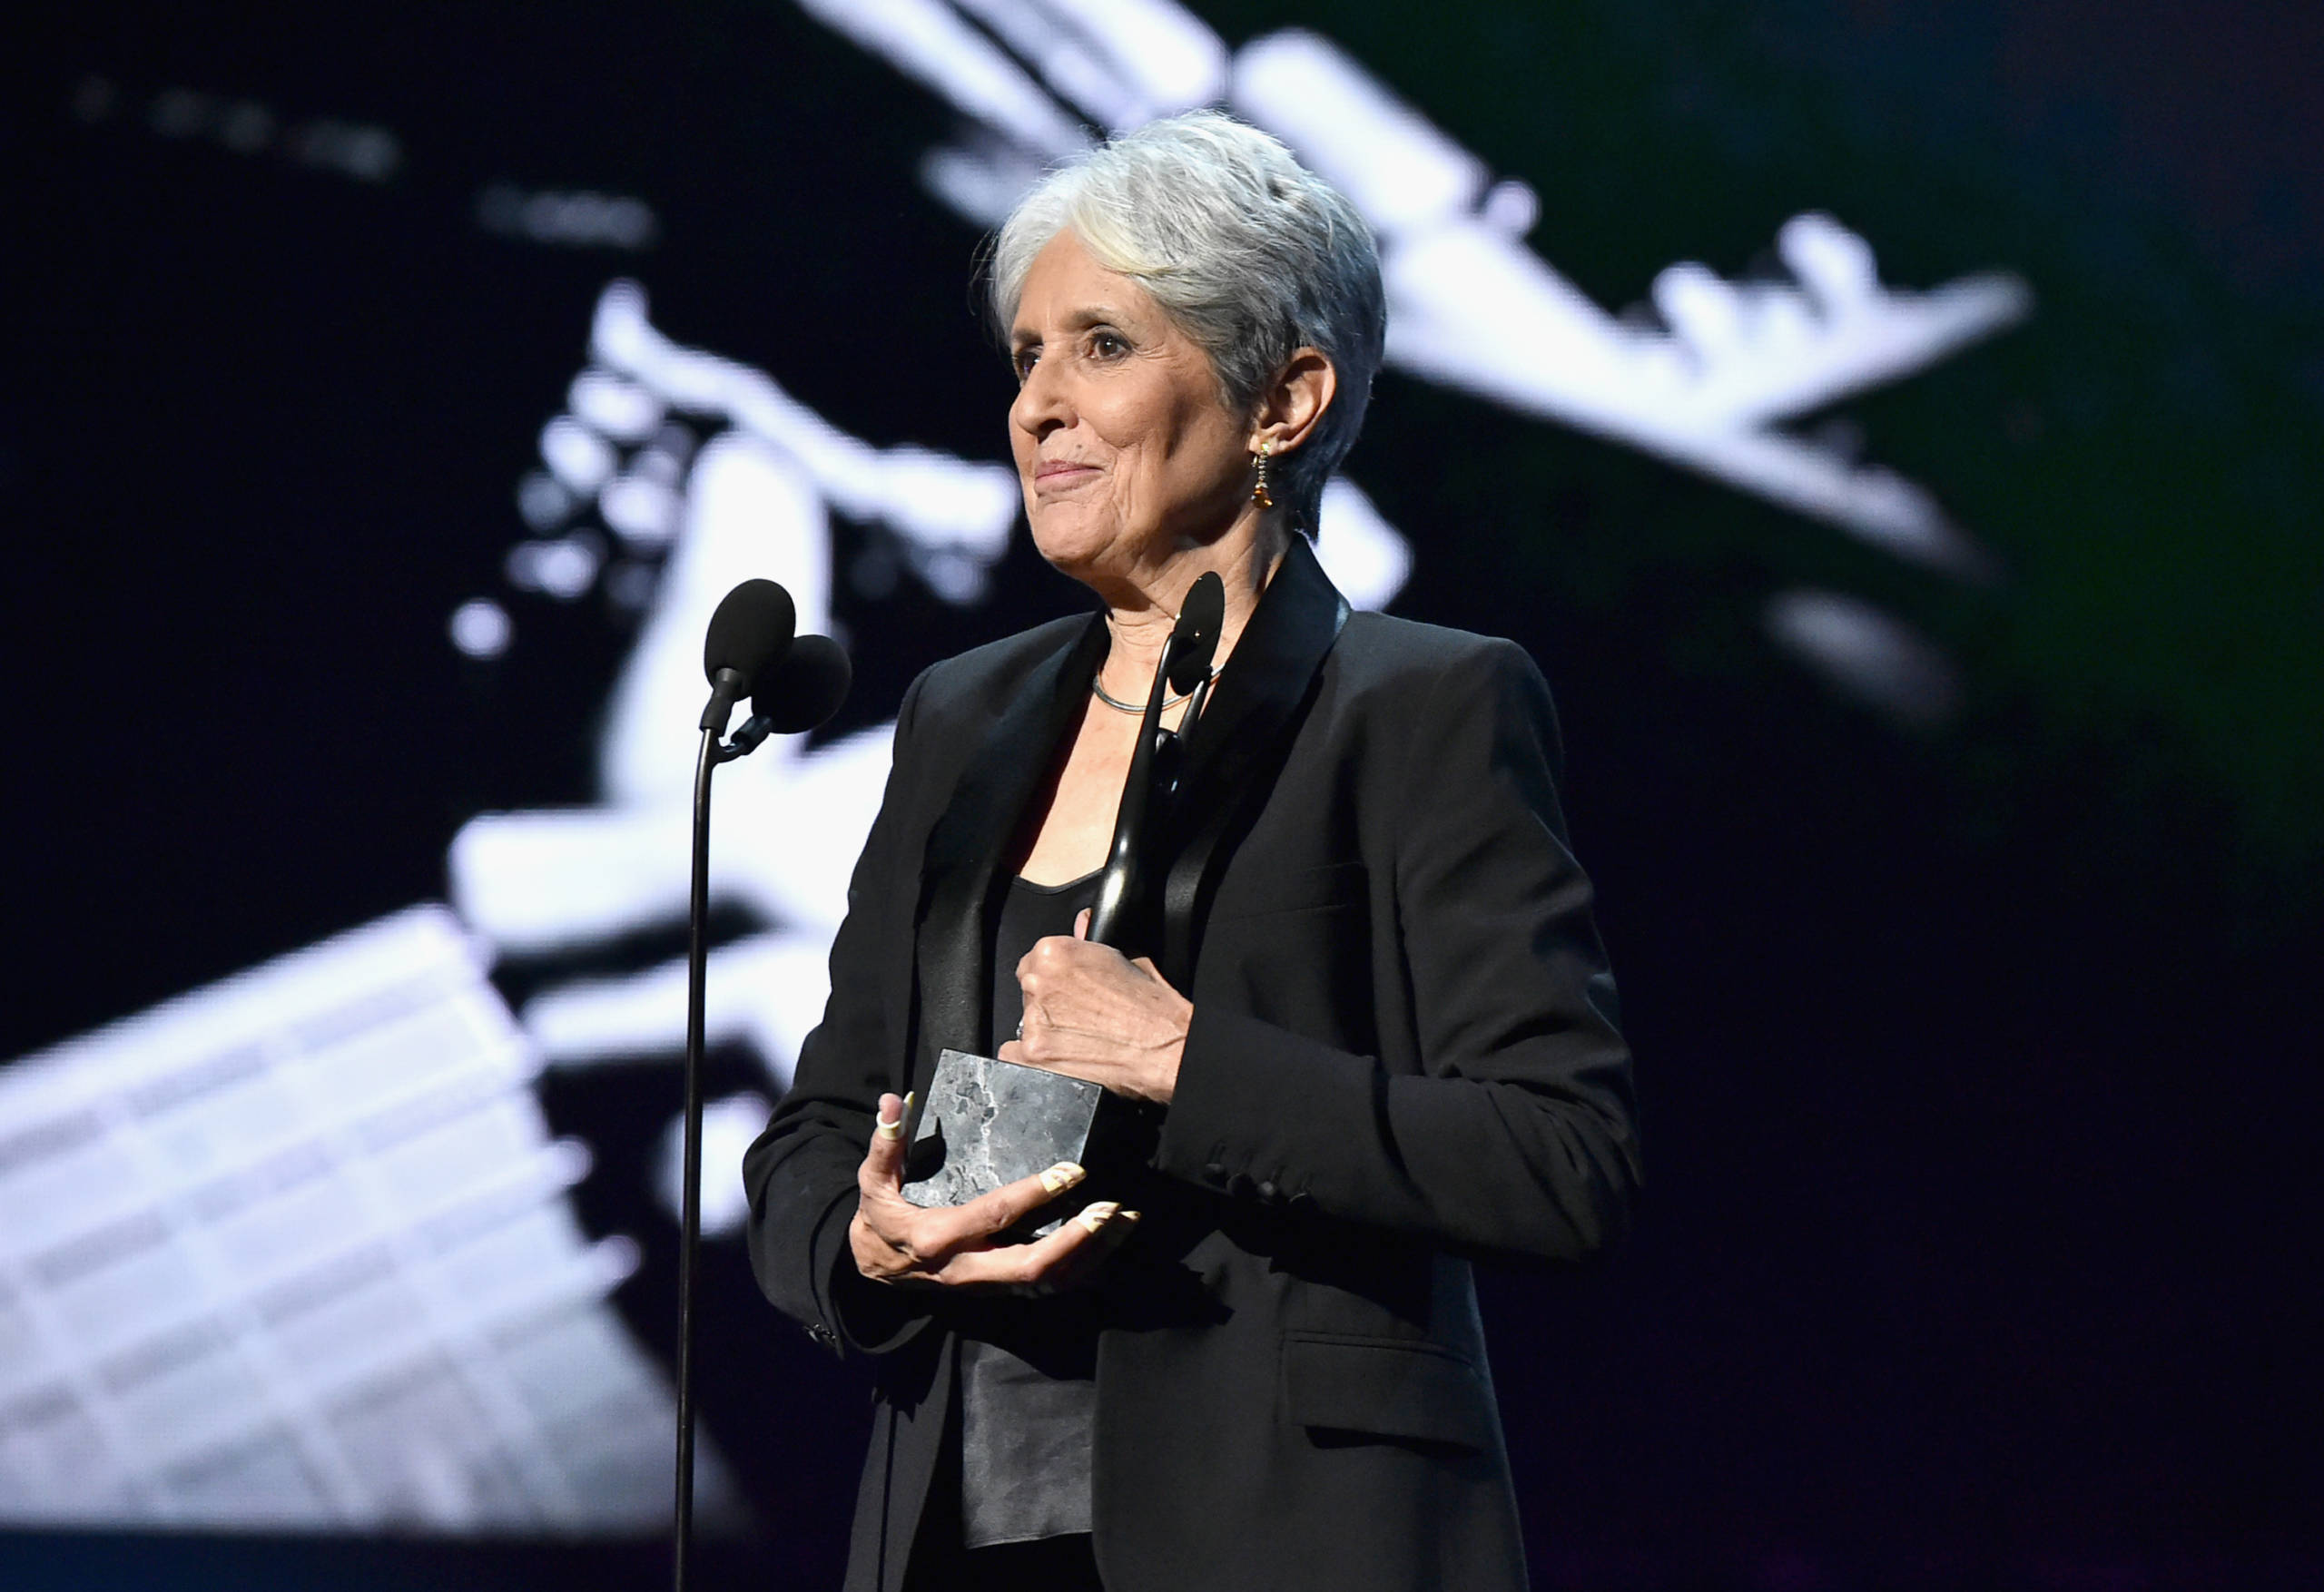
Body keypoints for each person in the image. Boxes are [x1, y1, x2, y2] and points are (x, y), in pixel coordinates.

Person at [743, 110, 1640, 1592]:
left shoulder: (1426, 703)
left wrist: (1186, 1060)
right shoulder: (960, 715)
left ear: (1284, 398)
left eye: (1102, 346)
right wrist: (865, 1241)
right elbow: (816, 1132)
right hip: (958, 1531)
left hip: (1285, 1532)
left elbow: (1562, 1159)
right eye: (1026, 356)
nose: (1037, 405)